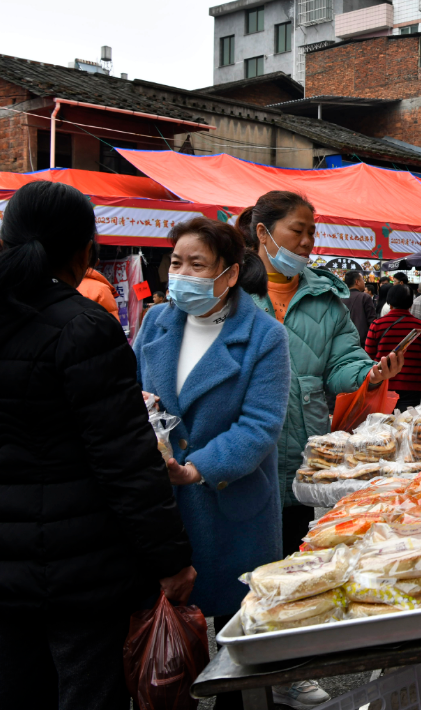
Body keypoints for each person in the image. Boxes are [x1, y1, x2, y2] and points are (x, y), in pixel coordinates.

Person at [0, 181, 195, 710]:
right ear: (86, 248)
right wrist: (171, 558)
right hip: (81, 572)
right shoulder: (84, 327)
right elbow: (125, 459)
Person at [241, 190, 403, 709]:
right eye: (298, 230)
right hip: (242, 454)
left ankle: (287, 674)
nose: (309, 241)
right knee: (240, 571)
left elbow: (342, 364)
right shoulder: (234, 289)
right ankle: (240, 679)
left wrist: (370, 372)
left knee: (290, 566)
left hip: (300, 455)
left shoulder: (324, 297)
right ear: (262, 233)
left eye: (313, 231)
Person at [134, 216, 290, 639]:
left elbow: (260, 425)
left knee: (237, 635)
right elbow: (129, 393)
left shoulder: (265, 336)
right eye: (176, 263)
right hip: (163, 512)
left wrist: (197, 468)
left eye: (197, 265)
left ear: (230, 273)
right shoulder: (156, 322)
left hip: (231, 506)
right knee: (166, 643)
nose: (182, 275)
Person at [364, 285, 421, 412]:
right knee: (407, 424)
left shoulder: (376, 325)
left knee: (384, 423)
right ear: (410, 304)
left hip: (383, 384)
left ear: (389, 303)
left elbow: (368, 357)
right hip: (412, 385)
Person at [342, 269, 376, 345]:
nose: (364, 282)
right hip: (362, 340)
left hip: (343, 339)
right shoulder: (365, 297)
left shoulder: (340, 298)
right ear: (357, 282)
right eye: (362, 280)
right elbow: (372, 320)